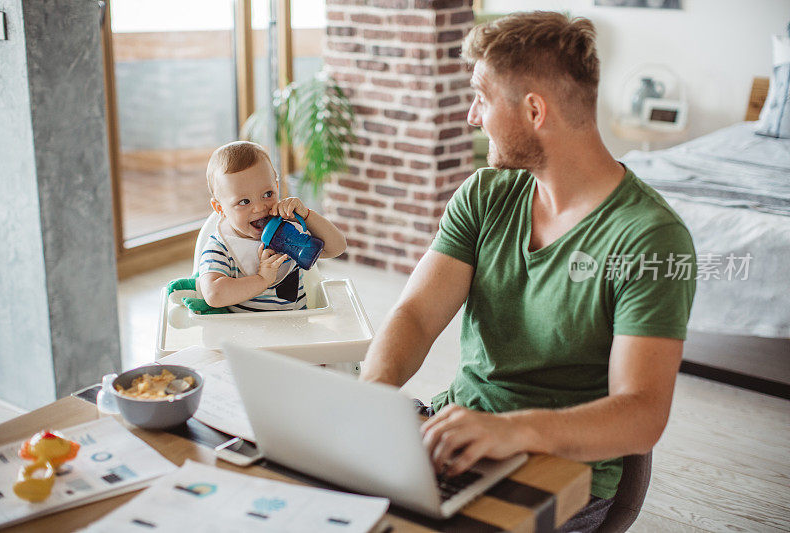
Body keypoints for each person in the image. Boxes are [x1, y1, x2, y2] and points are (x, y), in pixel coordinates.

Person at [360, 11, 696, 532]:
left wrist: (514, 431)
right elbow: (416, 314)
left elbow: (642, 415)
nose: (473, 116)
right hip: (455, 441)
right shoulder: (485, 194)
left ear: (534, 110)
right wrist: (372, 395)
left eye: (482, 97)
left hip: (563, 476)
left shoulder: (650, 237)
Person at [197, 141, 347, 312]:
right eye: (244, 201)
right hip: (245, 334)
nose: (260, 208)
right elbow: (213, 295)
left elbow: (338, 247)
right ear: (220, 208)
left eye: (267, 194)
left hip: (297, 330)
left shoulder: (288, 231)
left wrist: (306, 215)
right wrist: (262, 279)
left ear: (276, 187)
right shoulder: (221, 248)